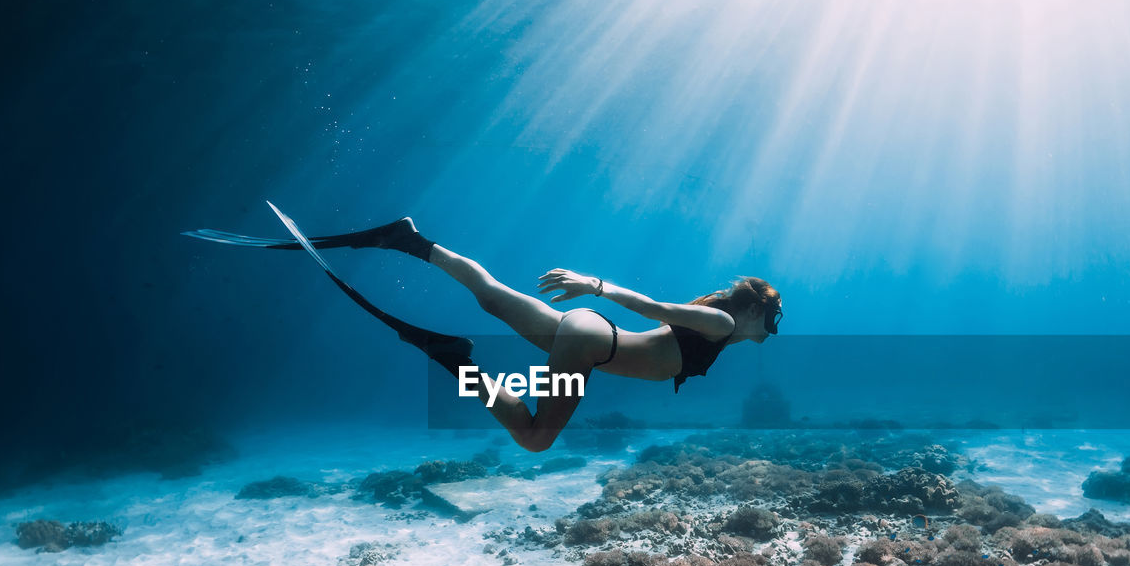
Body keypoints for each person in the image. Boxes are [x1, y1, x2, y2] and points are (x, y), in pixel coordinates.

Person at [184, 210, 782, 452]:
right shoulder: (723, 320)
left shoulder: (723, 327)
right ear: (753, 309)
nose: (771, 331)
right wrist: (597, 286)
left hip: (586, 336)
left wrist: (594, 300)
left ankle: (411, 242)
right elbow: (653, 307)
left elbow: (657, 316)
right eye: (772, 320)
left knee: (493, 296)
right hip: (592, 341)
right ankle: (451, 360)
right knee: (534, 438)